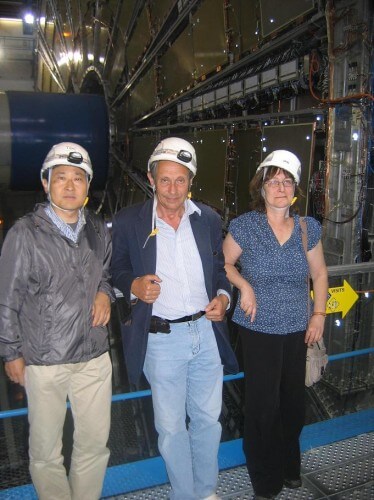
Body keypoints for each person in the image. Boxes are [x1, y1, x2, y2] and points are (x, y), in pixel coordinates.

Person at [111, 137, 238, 500]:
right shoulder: (128, 222)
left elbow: (218, 269)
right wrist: (134, 284)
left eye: (180, 180)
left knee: (207, 422)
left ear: (190, 181)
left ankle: (206, 491)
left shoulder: (208, 219)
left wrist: (224, 297)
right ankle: (186, 495)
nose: (172, 189)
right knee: (170, 428)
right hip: (162, 339)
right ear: (151, 180)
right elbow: (116, 269)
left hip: (205, 331)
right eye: (164, 180)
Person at [0, 142, 114, 500]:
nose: (69, 185)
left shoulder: (97, 228)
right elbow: (7, 298)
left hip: (94, 357)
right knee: (47, 454)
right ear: (45, 183)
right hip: (44, 361)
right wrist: (10, 352)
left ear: (87, 185)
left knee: (94, 446)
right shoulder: (24, 234)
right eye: (60, 177)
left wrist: (105, 294)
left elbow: (106, 275)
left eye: (77, 178)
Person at [223, 150, 328, 500]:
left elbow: (320, 273)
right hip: (258, 329)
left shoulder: (307, 228)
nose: (280, 187)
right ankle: (264, 477)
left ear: (295, 188)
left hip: (298, 329)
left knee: (293, 404)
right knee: (262, 407)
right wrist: (245, 285)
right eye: (273, 181)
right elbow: (223, 264)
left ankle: (289, 465)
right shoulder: (245, 226)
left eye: (286, 181)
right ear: (262, 187)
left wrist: (319, 315)